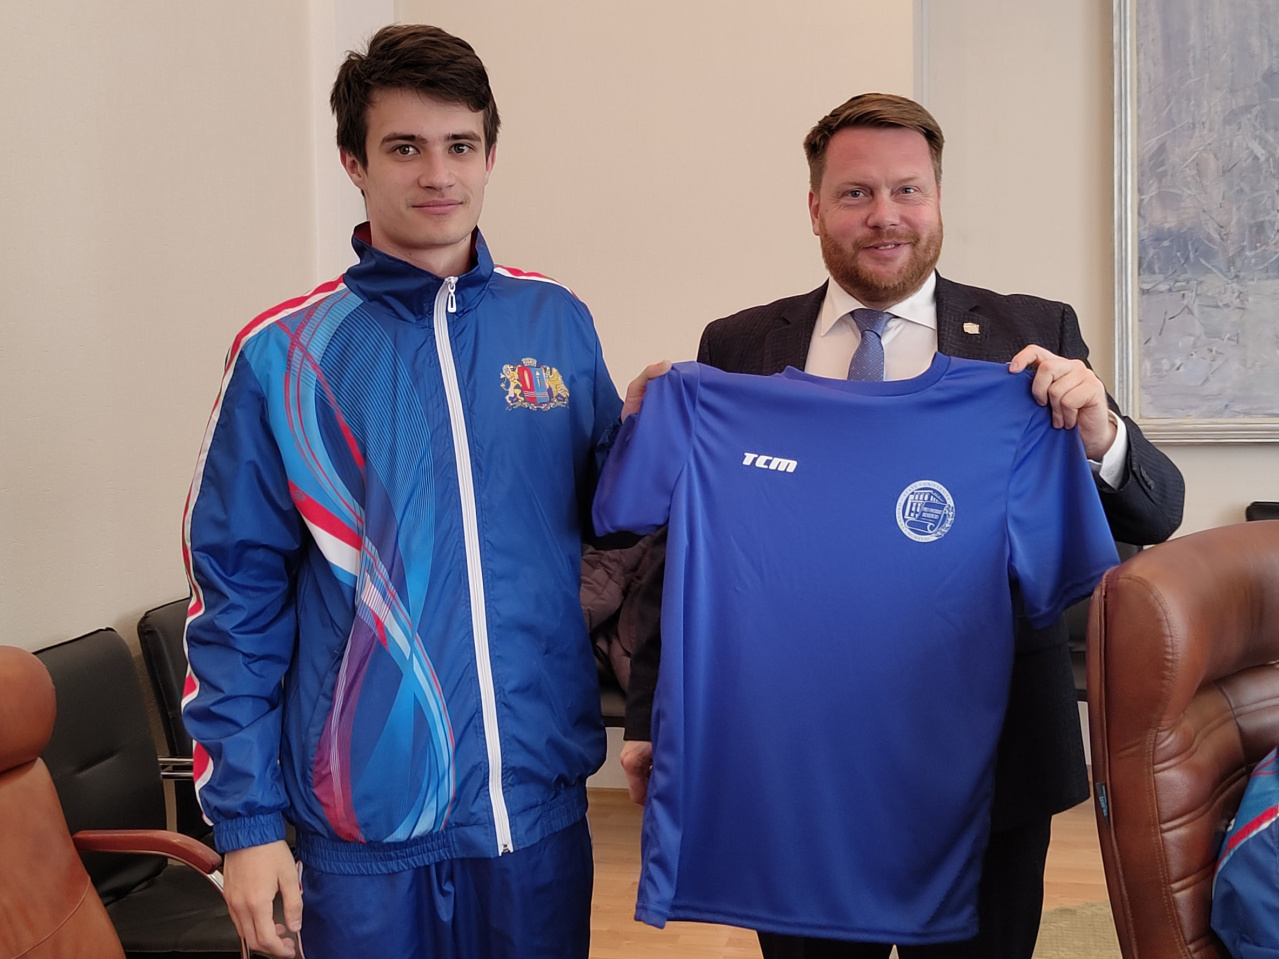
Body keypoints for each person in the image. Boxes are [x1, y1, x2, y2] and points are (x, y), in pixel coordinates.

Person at [618, 92, 1185, 958]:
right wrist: (650, 714)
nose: (884, 215)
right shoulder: (737, 347)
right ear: (815, 207)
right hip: (793, 760)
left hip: (986, 766)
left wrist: (1098, 430)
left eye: (906, 190)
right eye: (855, 193)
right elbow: (686, 544)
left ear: (937, 198)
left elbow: (1156, 511)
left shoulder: (1028, 337)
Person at [181, 24, 628, 959]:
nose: (437, 173)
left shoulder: (555, 322)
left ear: (491, 155)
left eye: (460, 145)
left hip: (531, 816)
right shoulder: (287, 354)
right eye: (404, 147)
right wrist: (248, 825)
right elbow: (234, 603)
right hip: (362, 833)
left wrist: (669, 423)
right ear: (354, 162)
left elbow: (620, 521)